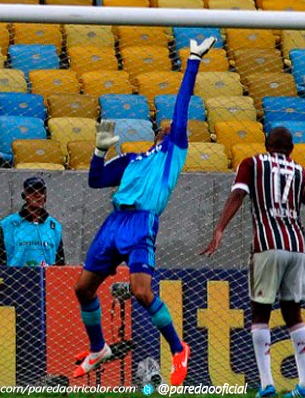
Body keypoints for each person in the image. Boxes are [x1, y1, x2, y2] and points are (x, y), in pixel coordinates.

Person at [72, 36, 216, 384]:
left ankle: (179, 349)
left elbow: (182, 107)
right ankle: (98, 348)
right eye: (164, 126)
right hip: (114, 221)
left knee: (140, 291)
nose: (171, 125)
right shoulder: (133, 160)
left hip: (141, 222)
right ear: (156, 132)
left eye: (173, 126)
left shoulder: (173, 151)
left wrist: (193, 60)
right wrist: (98, 150)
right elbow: (95, 180)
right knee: (83, 289)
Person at [201, 127, 305, 398]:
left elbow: (238, 194)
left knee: (260, 314)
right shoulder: (303, 173)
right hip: (296, 248)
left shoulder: (253, 163)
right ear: (291, 149)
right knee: (294, 314)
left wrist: (220, 227)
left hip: (267, 247)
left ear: (266, 145)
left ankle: (267, 384)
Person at [0, 176, 65, 267]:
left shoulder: (54, 227)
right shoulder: (9, 224)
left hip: (46, 279)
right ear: (25, 196)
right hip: (16, 278)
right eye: (32, 191)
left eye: (41, 191)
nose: (37, 195)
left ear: (45, 196)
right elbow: (0, 261)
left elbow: (60, 265)